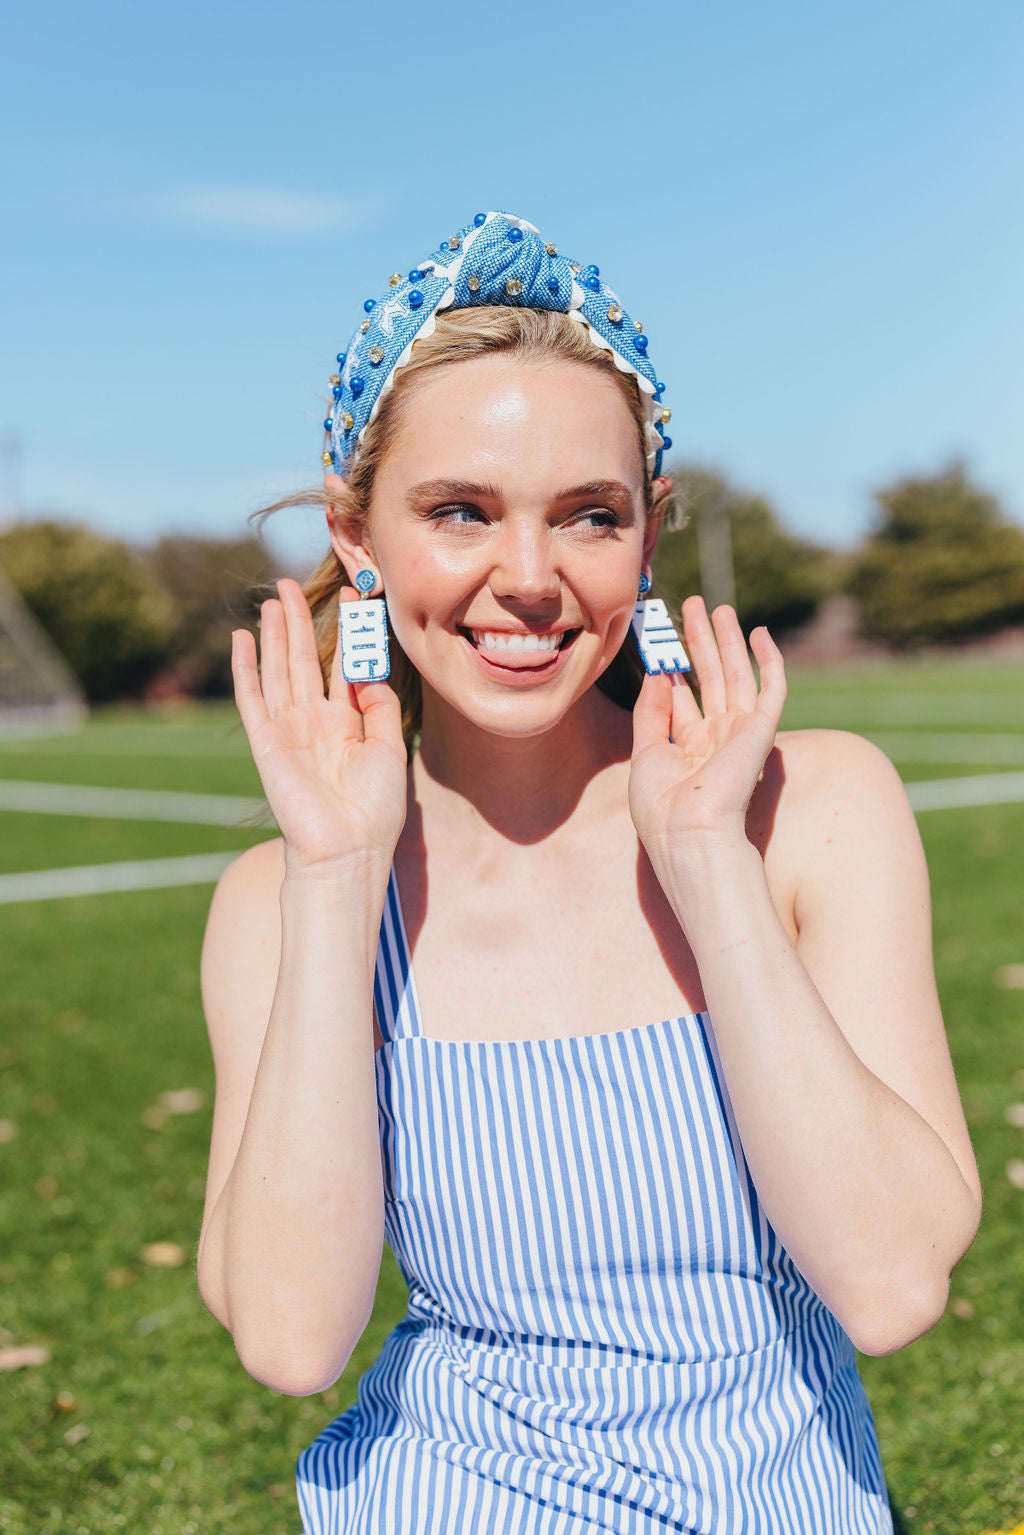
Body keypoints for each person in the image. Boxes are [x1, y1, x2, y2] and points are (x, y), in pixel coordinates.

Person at [196, 210, 982, 1534]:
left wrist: (701, 860)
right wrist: (337, 877)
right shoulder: (278, 904)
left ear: (650, 533)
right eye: (459, 511)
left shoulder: (815, 807)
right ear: (357, 540)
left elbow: (892, 1287)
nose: (530, 579)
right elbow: (289, 1339)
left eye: (589, 517)